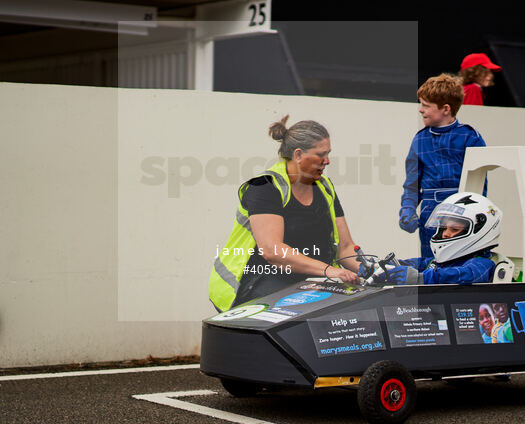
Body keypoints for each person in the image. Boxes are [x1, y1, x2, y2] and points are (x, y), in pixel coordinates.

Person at [208, 116, 362, 312]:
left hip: (306, 279)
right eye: (320, 155)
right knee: (303, 311)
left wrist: (376, 271)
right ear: (298, 155)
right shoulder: (265, 187)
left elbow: (346, 247)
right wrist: (328, 270)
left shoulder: (325, 188)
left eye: (329, 153)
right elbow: (273, 251)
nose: (327, 161)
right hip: (255, 279)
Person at [399, 74, 486, 260]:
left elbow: (480, 187)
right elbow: (411, 185)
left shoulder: (470, 137)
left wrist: (476, 220)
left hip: (463, 215)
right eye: (420, 104)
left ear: (446, 109)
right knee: (432, 265)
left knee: (462, 266)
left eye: (426, 105)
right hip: (430, 216)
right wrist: (407, 208)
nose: (420, 110)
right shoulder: (419, 139)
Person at [379, 191, 502, 286]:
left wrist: (421, 278)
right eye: (444, 228)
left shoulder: (482, 264)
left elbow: (464, 275)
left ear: (479, 230)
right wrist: (381, 266)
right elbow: (418, 263)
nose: (445, 234)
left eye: (454, 229)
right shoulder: (442, 261)